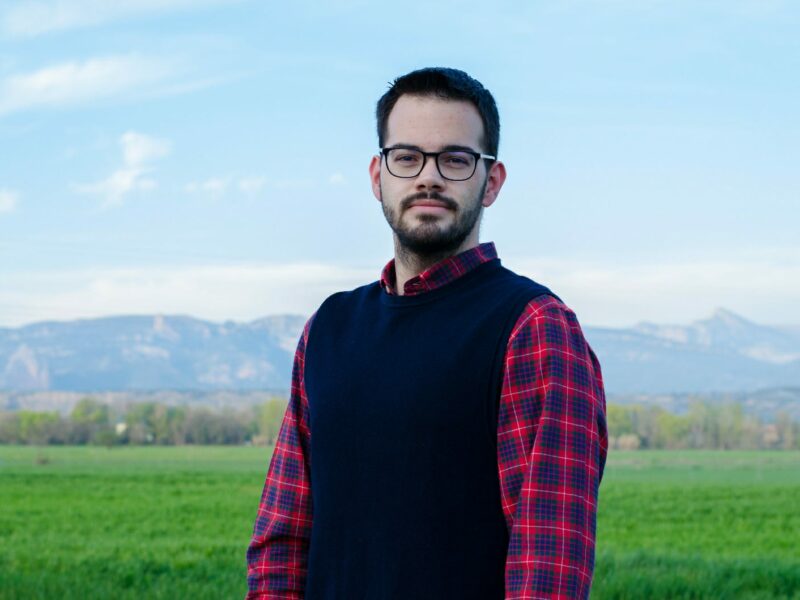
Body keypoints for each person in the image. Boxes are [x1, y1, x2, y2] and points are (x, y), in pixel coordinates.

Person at [246, 67, 608, 600]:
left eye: (456, 159)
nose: (428, 177)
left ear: (492, 181)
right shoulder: (329, 328)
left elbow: (548, 569)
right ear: (378, 176)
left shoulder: (534, 328)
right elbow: (282, 538)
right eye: (407, 156)